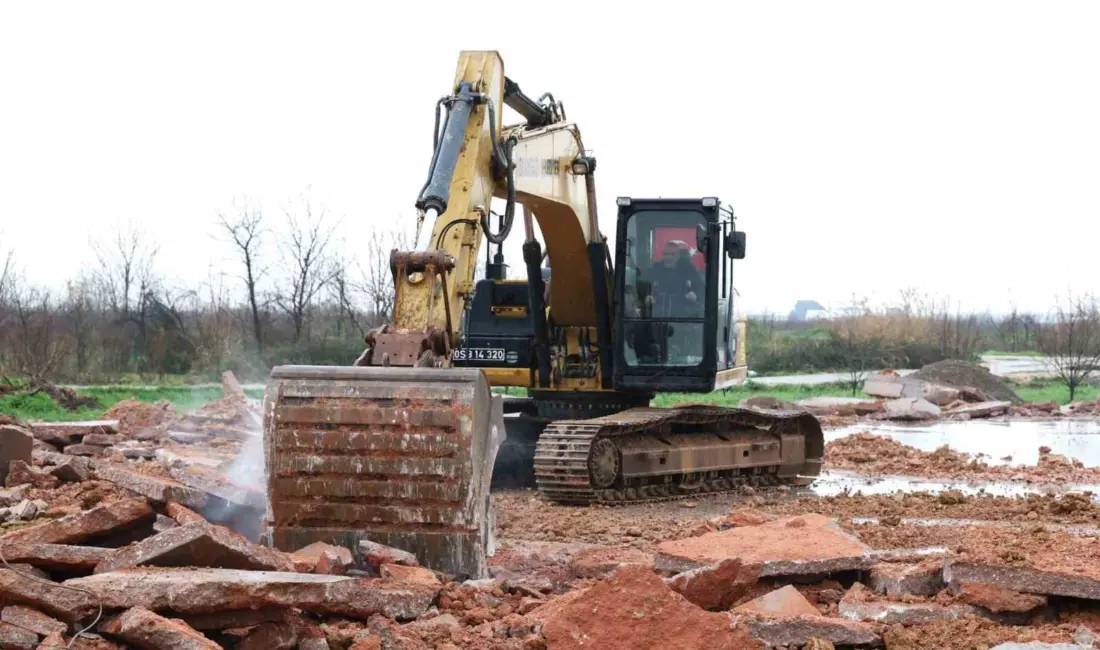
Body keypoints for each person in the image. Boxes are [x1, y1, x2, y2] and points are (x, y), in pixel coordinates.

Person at [648, 239, 703, 318]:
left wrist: (695, 296)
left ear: (678, 255)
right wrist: (648, 295)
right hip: (659, 314)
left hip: (682, 314)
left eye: (672, 254)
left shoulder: (688, 269)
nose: (668, 257)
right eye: (666, 254)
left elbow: (700, 287)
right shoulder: (656, 268)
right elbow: (646, 285)